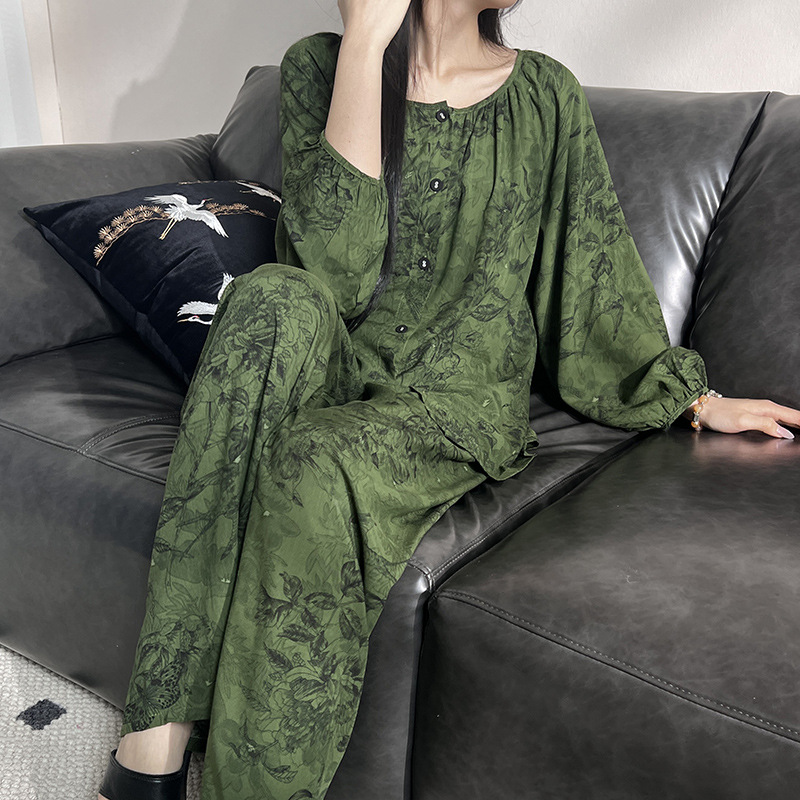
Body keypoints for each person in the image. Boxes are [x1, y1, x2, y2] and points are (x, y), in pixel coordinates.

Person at [97, 1, 800, 799]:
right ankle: (153, 744)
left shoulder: (544, 95)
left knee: (316, 459)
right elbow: (334, 273)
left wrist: (691, 397)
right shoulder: (318, 67)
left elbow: (591, 269)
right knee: (270, 298)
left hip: (454, 394)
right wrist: (365, 42)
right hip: (335, 358)